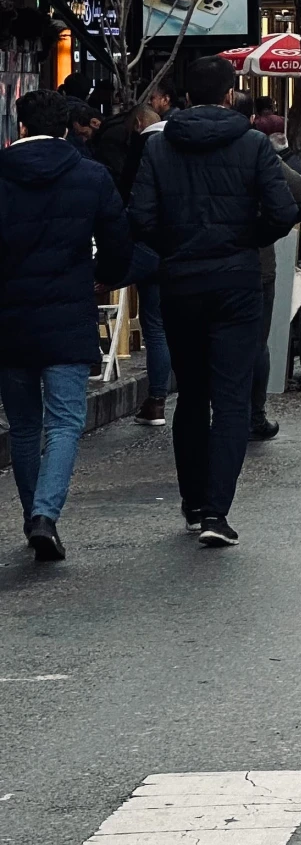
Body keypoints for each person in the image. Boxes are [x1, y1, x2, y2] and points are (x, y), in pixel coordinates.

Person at [129, 55, 301, 546]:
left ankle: (191, 501)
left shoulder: (160, 148)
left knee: (192, 396)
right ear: (230, 95)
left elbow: (139, 216)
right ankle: (215, 512)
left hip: (182, 282)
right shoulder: (252, 146)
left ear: (185, 96)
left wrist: (174, 248)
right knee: (230, 398)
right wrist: (246, 240)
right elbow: (284, 209)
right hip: (236, 282)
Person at [0, 89, 131, 562]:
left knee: (23, 424)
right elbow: (118, 242)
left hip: (9, 320)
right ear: (64, 129)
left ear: (19, 128)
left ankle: (32, 515)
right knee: (65, 420)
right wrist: (104, 279)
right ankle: (44, 515)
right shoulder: (89, 175)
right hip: (67, 315)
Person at [227, 88, 301, 444]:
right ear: (250, 119)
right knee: (255, 342)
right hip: (253, 262)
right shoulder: (255, 147)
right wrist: (265, 232)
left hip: (191, 264)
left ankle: (211, 412)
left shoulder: (170, 144)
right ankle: (254, 415)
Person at [125, 74, 178, 427]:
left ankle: (157, 400)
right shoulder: (180, 144)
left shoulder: (141, 149)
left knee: (156, 326)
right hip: (184, 248)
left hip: (150, 248)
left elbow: (135, 206)